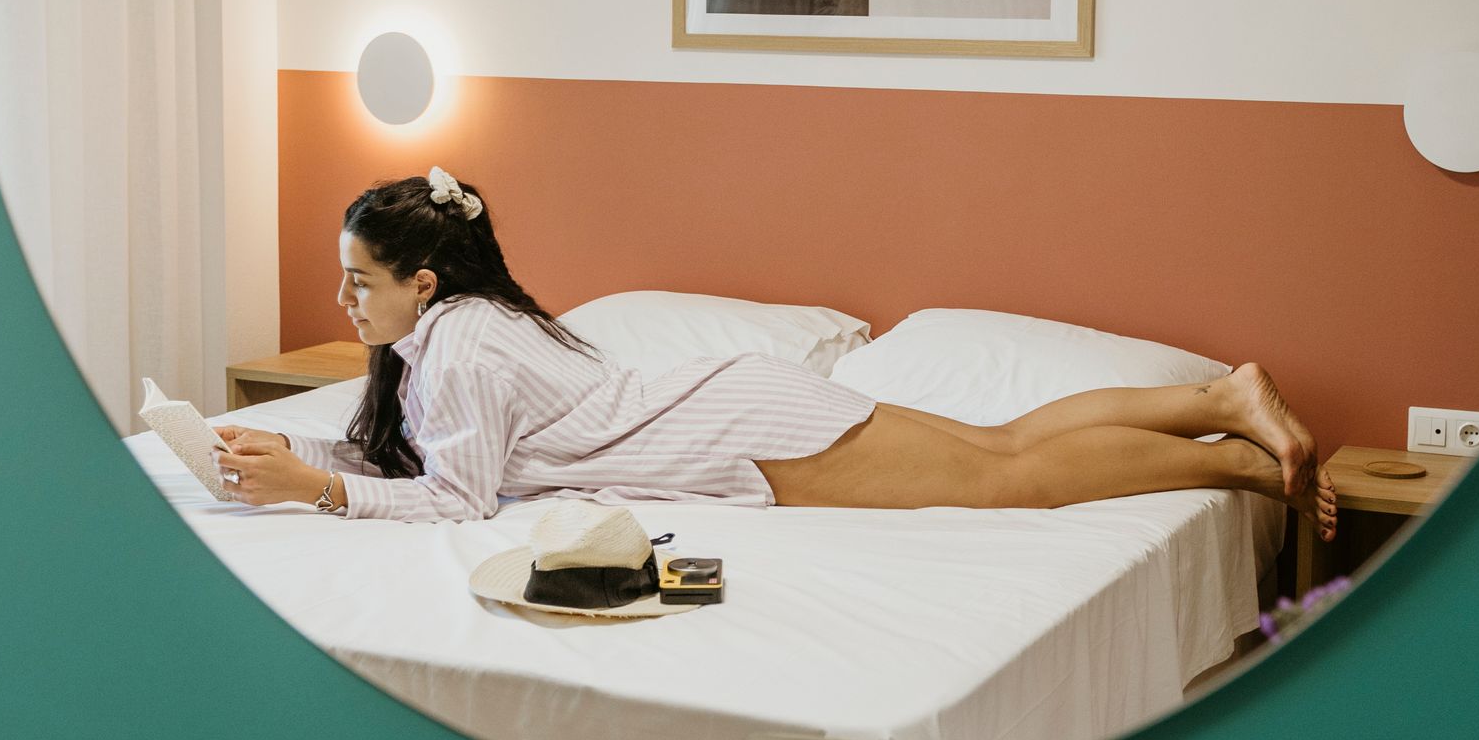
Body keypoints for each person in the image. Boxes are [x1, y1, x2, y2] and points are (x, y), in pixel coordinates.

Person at [213, 167, 1337, 537]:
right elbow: (431, 457)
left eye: (359, 281)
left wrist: (319, 489)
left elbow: (457, 501)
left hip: (739, 428)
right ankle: (1220, 399)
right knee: (1002, 447)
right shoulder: (463, 327)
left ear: (424, 280)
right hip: (735, 407)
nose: (343, 299)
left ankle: (1242, 464)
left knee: (1016, 480)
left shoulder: (458, 349)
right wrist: (302, 452)